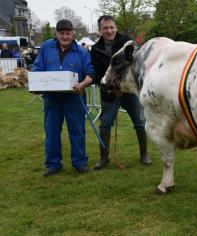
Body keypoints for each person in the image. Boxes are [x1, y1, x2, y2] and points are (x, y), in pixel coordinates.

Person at [32, 19, 95, 177]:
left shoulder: (81, 52)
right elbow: (37, 67)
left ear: (73, 33)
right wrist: (36, 83)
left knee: (77, 131)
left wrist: (82, 84)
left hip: (74, 97)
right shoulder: (46, 47)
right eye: (62, 33)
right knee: (52, 131)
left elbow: (90, 73)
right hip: (52, 98)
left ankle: (79, 162)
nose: (65, 36)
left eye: (68, 33)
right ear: (56, 33)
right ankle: (53, 164)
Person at [90, 15, 151, 170]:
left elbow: (137, 64)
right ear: (100, 30)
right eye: (105, 28)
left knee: (139, 123)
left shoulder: (128, 42)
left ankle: (144, 155)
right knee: (104, 126)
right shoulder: (95, 49)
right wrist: (111, 86)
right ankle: (104, 158)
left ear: (115, 27)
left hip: (129, 92)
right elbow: (97, 74)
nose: (109, 31)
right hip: (109, 94)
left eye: (111, 27)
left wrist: (124, 84)